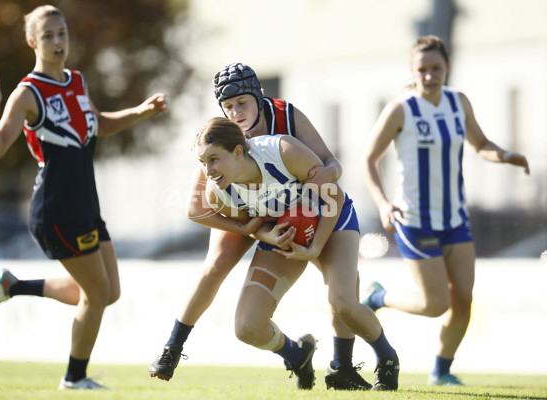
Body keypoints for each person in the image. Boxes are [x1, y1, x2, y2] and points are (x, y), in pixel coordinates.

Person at [150, 63, 372, 391]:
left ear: (258, 96)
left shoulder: (287, 116)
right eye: (228, 106)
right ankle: (173, 347)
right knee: (215, 264)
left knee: (340, 281)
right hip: (251, 210)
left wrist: (327, 175)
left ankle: (342, 365)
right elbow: (195, 209)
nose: (236, 112)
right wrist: (254, 230)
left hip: (294, 206)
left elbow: (331, 162)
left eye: (242, 103)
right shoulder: (222, 136)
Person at [0, 4, 167, 390]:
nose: (57, 41)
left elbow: (98, 123)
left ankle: (13, 286)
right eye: (47, 35)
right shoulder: (26, 94)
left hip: (86, 205)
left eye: (61, 33)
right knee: (96, 295)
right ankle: (74, 378)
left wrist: (139, 112)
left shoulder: (77, 81)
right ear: (33, 41)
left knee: (108, 292)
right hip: (56, 209)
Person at [361, 35, 530, 386]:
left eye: (435, 68)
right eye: (422, 69)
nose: (429, 75)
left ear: (446, 68)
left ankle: (441, 369)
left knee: (464, 300)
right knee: (435, 304)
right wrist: (382, 202)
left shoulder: (458, 102)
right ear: (412, 70)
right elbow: (368, 159)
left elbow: (480, 144)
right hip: (414, 219)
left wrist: (506, 156)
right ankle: (378, 296)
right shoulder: (400, 109)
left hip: (454, 218)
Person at [191, 117, 399, 391]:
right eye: (203, 162)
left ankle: (386, 358)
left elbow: (333, 198)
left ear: (238, 152)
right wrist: (264, 234)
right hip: (287, 232)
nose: (208, 170)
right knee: (247, 327)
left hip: (333, 219)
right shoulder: (219, 194)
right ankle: (298, 356)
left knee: (342, 302)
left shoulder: (282, 151)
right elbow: (250, 225)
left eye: (214, 159)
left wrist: (313, 249)